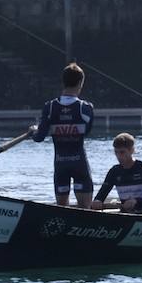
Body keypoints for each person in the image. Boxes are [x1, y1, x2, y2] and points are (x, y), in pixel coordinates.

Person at [33, 62, 96, 207]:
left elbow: (39, 138)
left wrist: (33, 131)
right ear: (80, 82)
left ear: (63, 82)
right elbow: (87, 131)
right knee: (85, 209)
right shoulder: (85, 108)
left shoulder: (50, 107)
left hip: (60, 164)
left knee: (62, 210)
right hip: (79, 163)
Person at [92, 132, 142, 213]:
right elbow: (101, 195)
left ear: (132, 150)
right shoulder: (114, 171)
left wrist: (137, 201)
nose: (118, 156)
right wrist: (97, 201)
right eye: (116, 152)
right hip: (125, 212)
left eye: (122, 152)